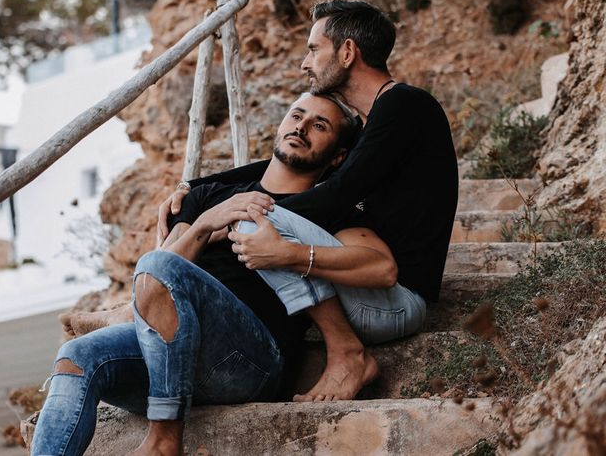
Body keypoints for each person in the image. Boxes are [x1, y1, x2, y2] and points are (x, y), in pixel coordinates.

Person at [32, 93, 393, 456]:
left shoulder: (325, 207)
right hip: (168, 361)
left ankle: (164, 438)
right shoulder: (209, 195)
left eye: (319, 125)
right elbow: (153, 283)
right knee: (76, 355)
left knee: (159, 266)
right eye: (296, 115)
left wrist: (293, 253)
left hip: (247, 363)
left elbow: (381, 266)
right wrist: (204, 225)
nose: (300, 126)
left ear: (339, 155)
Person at [159, 0, 459, 403]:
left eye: (314, 49)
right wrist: (194, 190)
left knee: (254, 220)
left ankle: (346, 354)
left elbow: (331, 197)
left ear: (348, 52)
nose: (306, 62)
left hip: (394, 301)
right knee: (252, 216)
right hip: (361, 289)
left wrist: (222, 222)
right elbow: (280, 164)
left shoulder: (404, 107)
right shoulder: (375, 121)